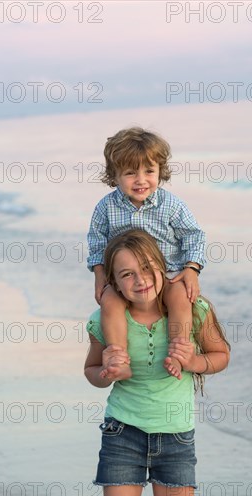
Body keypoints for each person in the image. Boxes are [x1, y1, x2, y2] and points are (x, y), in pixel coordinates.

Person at [84, 229, 230, 496]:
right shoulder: (104, 321)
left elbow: (221, 356)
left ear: (163, 265)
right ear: (113, 282)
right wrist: (106, 372)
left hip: (176, 437)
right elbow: (91, 371)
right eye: (127, 274)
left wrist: (193, 362)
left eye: (148, 268)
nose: (141, 280)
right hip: (122, 432)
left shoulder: (194, 311)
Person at [87, 127, 206, 380]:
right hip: (127, 278)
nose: (141, 180)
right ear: (114, 175)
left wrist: (192, 269)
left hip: (168, 273)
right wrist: (100, 276)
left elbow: (193, 236)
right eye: (130, 173)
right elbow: (96, 243)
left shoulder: (171, 205)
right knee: (110, 301)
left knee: (180, 298)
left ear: (160, 172)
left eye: (149, 171)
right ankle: (119, 359)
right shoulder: (106, 207)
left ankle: (179, 352)